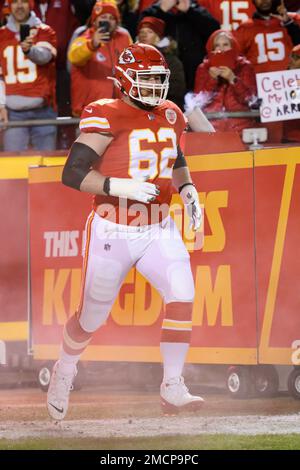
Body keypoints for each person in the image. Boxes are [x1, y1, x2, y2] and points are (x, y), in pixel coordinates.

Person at [47, 42, 204, 420]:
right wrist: (117, 186)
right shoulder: (105, 113)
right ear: (125, 79)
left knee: (182, 293)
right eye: (146, 80)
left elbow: (175, 156)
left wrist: (187, 189)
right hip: (113, 229)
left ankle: (172, 386)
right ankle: (64, 368)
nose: (154, 88)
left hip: (158, 227)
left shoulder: (171, 113)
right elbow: (72, 173)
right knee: (91, 318)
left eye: (157, 80)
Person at [234, 0, 300, 142]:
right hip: (266, 95)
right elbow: (237, 63)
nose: (263, 1)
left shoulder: (293, 20)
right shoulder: (245, 28)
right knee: (271, 142)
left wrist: (289, 24)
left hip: (295, 90)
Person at [0, 0, 57, 151]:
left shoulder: (45, 31)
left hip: (43, 110)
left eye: (24, 1)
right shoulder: (1, 35)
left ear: (31, 4)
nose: (19, 6)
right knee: (13, 168)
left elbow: (45, 57)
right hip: (13, 113)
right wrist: (0, 105)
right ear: (9, 6)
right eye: (15, 2)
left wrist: (29, 51)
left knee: (46, 167)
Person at [68, 0, 132, 117]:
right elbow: (74, 58)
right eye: (103, 17)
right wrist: (92, 44)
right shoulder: (83, 36)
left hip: (120, 109)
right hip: (90, 110)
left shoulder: (124, 37)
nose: (107, 20)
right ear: (95, 20)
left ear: (117, 21)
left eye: (112, 18)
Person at [140, 0, 220, 91]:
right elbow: (141, 28)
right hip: (165, 75)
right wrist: (162, 9)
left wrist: (189, 10)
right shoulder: (154, 9)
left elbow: (214, 30)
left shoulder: (195, 8)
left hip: (194, 76)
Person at [193, 29, 257, 135]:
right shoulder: (203, 68)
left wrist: (233, 79)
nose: (221, 49)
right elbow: (198, 102)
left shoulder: (245, 67)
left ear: (233, 46)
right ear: (211, 49)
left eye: (225, 44)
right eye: (217, 46)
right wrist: (211, 80)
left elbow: (251, 100)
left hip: (240, 129)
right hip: (212, 130)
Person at [137, 16, 186, 108]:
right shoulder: (134, 59)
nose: (144, 35)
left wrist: (151, 88)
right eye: (141, 32)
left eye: (149, 32)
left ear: (158, 37)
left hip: (164, 109)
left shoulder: (171, 61)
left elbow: (177, 89)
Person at [282, 44, 300, 143]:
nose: (292, 60)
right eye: (291, 56)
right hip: (291, 138)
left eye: (296, 58)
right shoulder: (279, 82)